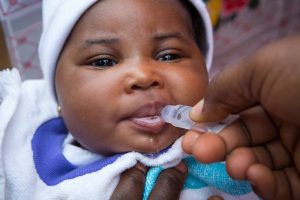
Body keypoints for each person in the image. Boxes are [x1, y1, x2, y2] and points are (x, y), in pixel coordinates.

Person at [0, 0, 259, 199]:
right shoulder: (30, 164)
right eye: (103, 61)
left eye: (169, 55)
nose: (144, 76)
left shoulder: (247, 137)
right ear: (58, 98)